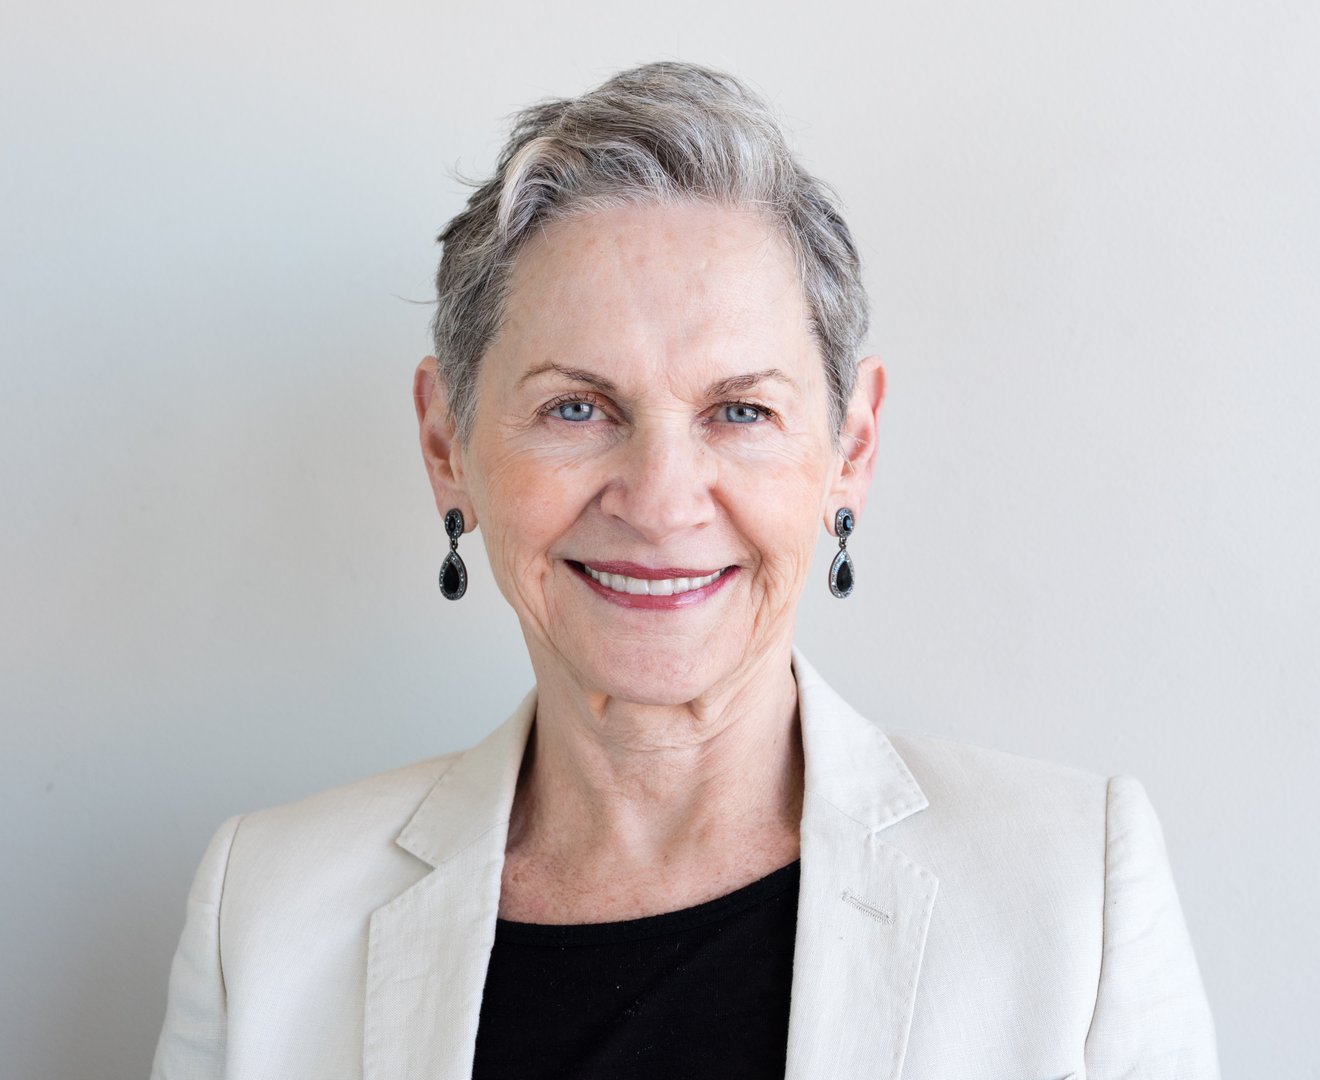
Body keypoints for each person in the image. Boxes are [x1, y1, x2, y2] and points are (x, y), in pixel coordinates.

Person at [150, 61, 1219, 1080]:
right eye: (577, 407)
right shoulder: (269, 911)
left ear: (850, 449)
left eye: (740, 411)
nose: (660, 501)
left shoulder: (1074, 895)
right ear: (447, 446)